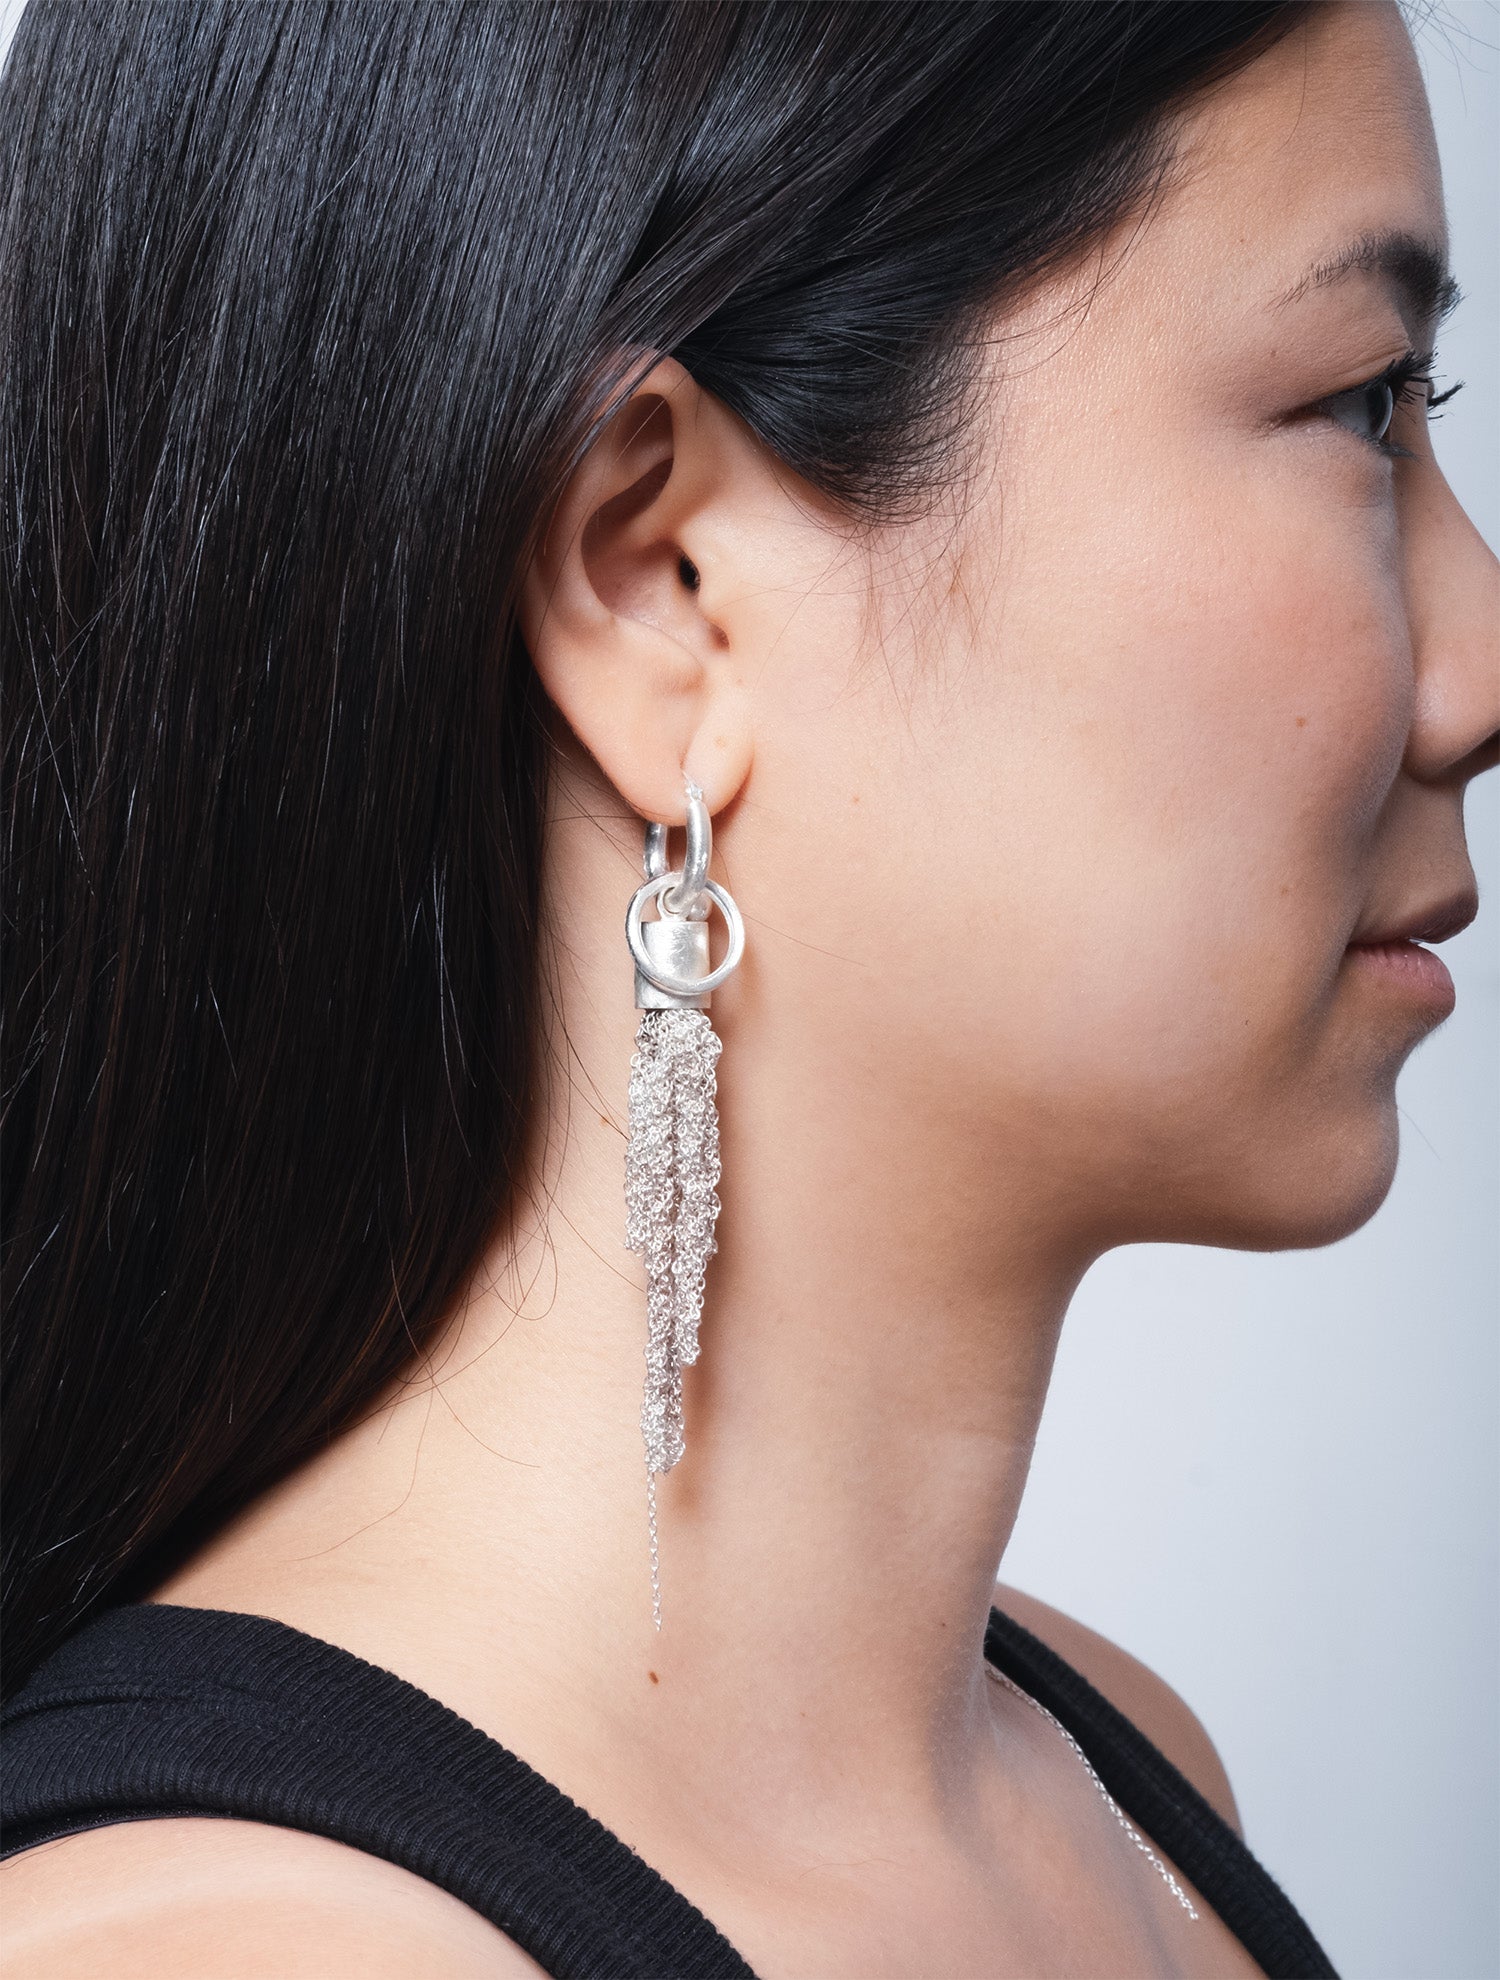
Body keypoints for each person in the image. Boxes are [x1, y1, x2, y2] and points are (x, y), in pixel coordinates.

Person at [2, 1, 1494, 1974]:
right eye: (1361, 406)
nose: (1479, 667)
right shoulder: (240, 1950)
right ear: (660, 579)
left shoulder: (1132, 1798)